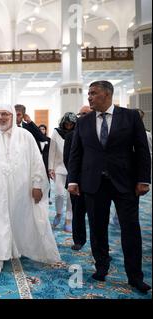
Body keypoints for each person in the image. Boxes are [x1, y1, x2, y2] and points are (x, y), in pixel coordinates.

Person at [68, 81, 151, 293]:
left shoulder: (130, 117)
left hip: (125, 184)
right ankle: (101, 267)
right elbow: (76, 153)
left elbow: (142, 149)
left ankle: (135, 276)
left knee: (131, 230)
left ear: (107, 95)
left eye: (93, 93)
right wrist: (73, 180)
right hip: (93, 184)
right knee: (97, 228)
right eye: (88, 93)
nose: (89, 97)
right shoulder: (84, 122)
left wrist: (144, 179)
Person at [0, 104, 60, 274]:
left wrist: (37, 185)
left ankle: (16, 249)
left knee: (19, 218)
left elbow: (36, 162)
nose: (0, 117)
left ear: (13, 116)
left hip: (21, 188)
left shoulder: (25, 136)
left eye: (4, 114)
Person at [63, 106, 91, 251]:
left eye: (85, 114)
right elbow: (68, 159)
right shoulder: (71, 135)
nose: (82, 116)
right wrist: (75, 179)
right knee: (78, 212)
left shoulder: (100, 132)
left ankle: (99, 245)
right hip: (77, 181)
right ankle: (79, 240)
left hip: (97, 182)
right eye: (80, 114)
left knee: (97, 215)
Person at [49, 112, 77, 232]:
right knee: (59, 194)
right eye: (67, 123)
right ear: (63, 122)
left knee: (71, 197)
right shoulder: (56, 132)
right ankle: (59, 213)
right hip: (59, 167)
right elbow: (52, 150)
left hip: (73, 169)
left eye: (71, 124)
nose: (69, 125)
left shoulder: (77, 132)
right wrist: (50, 167)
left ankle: (68, 220)